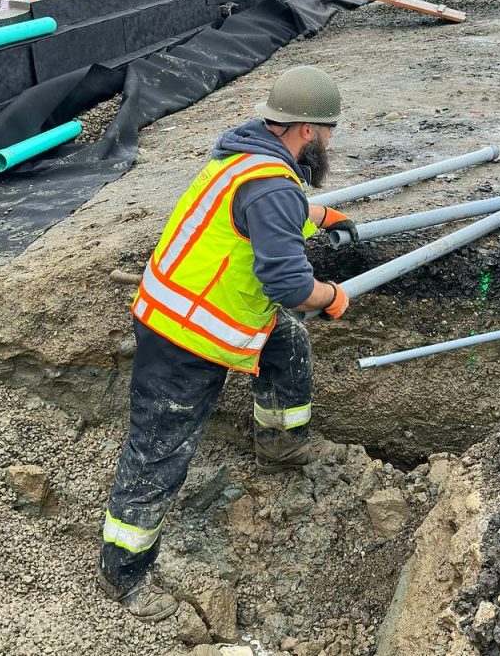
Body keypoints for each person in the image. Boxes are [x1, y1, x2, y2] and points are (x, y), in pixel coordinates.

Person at [97, 65, 358, 622]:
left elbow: (258, 220)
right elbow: (290, 286)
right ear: (307, 130)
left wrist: (313, 215)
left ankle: (280, 445)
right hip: (184, 334)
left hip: (199, 309)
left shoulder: (245, 156)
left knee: (287, 343)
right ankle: (124, 574)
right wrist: (332, 295)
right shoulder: (271, 184)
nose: (330, 143)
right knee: (159, 449)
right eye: (329, 132)